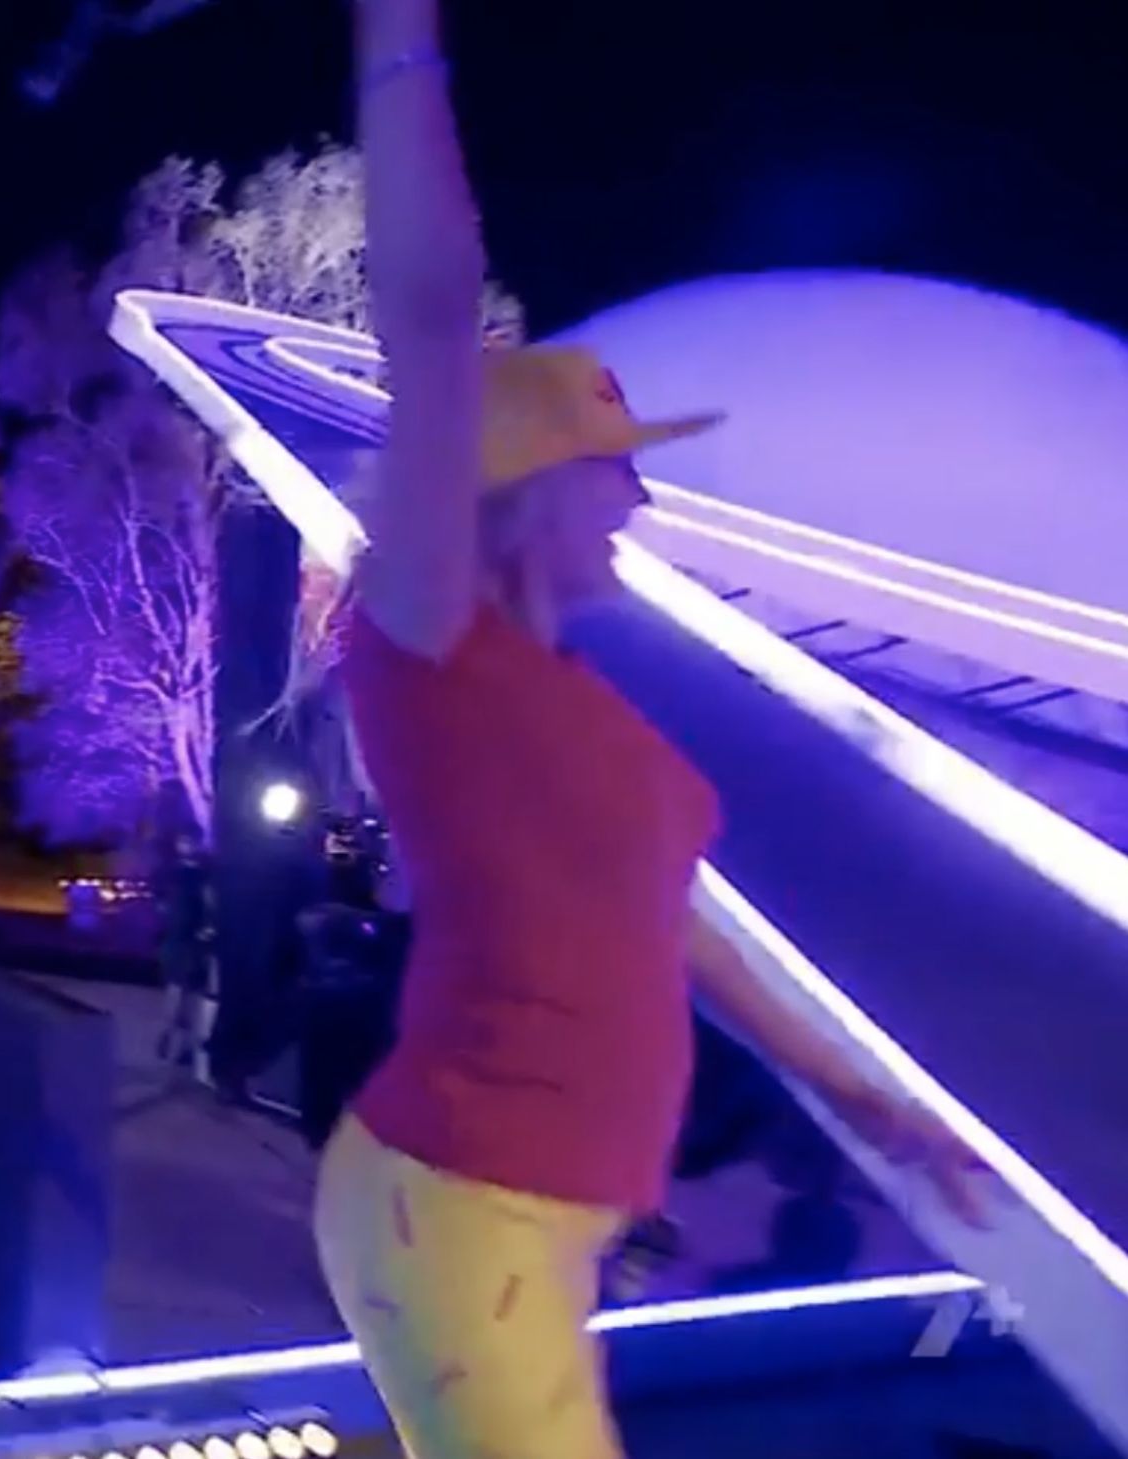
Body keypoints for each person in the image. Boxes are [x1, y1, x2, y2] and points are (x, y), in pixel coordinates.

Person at [315, 3, 991, 1455]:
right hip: (463, 1199)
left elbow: (669, 928)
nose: (638, 497)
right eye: (611, 469)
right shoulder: (431, 642)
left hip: (541, 1214)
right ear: (523, 495)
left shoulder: (565, 703)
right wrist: (399, 39)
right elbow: (429, 315)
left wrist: (863, 1097)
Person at [153, 830, 218, 1079]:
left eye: (190, 841)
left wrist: (207, 929)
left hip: (188, 942)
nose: (186, 845)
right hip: (180, 941)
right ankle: (173, 1036)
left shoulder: (200, 874)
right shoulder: (177, 873)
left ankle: (179, 1041)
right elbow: (161, 902)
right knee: (180, 991)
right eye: (184, 841)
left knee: (185, 993)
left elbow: (209, 904)